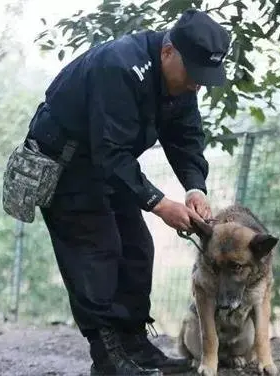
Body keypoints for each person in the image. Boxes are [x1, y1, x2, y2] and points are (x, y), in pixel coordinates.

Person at [25, 8, 230, 376]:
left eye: (204, 78)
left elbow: (185, 135)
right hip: (69, 165)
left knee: (136, 250)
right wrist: (158, 202)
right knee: (97, 254)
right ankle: (108, 359)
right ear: (168, 52)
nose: (196, 86)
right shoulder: (118, 66)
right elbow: (111, 151)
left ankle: (136, 346)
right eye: (194, 75)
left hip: (110, 167)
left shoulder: (181, 79)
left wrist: (194, 186)